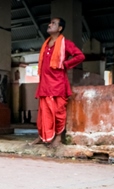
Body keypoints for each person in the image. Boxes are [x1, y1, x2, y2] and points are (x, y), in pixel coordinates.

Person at [31, 17, 85, 148]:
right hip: (45, 84)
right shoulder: (46, 44)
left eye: (53, 23)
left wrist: (66, 64)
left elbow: (80, 56)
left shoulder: (65, 43)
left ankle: (58, 138)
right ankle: (42, 136)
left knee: (58, 112)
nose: (49, 25)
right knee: (43, 112)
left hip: (58, 84)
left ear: (60, 28)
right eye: (50, 22)